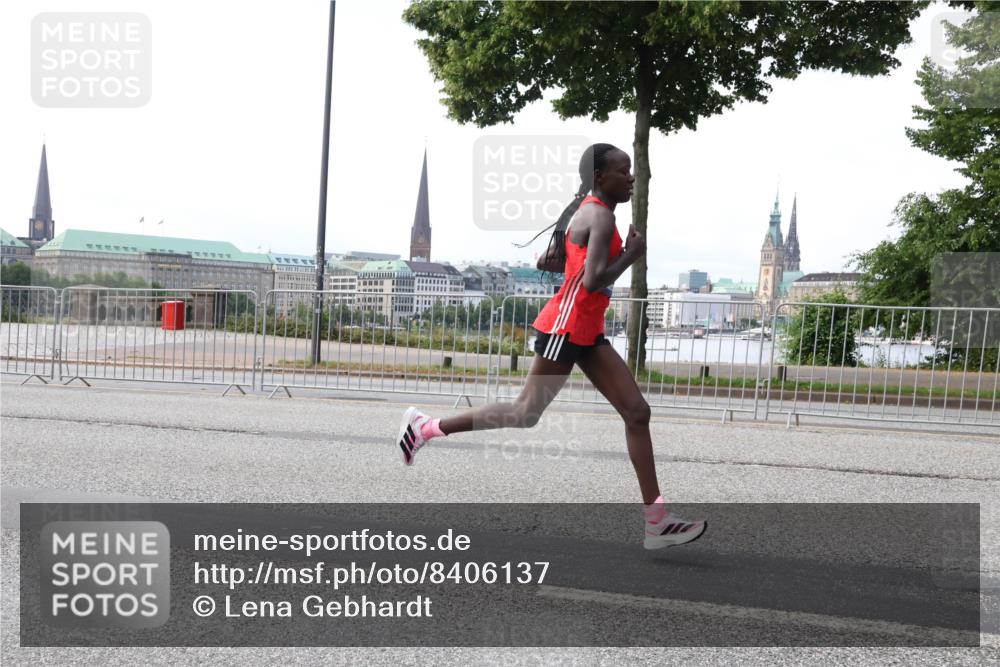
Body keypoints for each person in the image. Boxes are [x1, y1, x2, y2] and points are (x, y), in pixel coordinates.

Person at [395, 143, 705, 549]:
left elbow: (555, 263)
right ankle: (425, 428)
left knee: (636, 411)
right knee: (524, 413)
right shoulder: (600, 215)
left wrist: (573, 259)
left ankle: (656, 520)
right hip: (566, 328)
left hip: (585, 330)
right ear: (599, 177)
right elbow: (593, 280)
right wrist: (632, 254)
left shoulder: (590, 212)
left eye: (631, 170)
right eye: (623, 170)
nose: (631, 178)